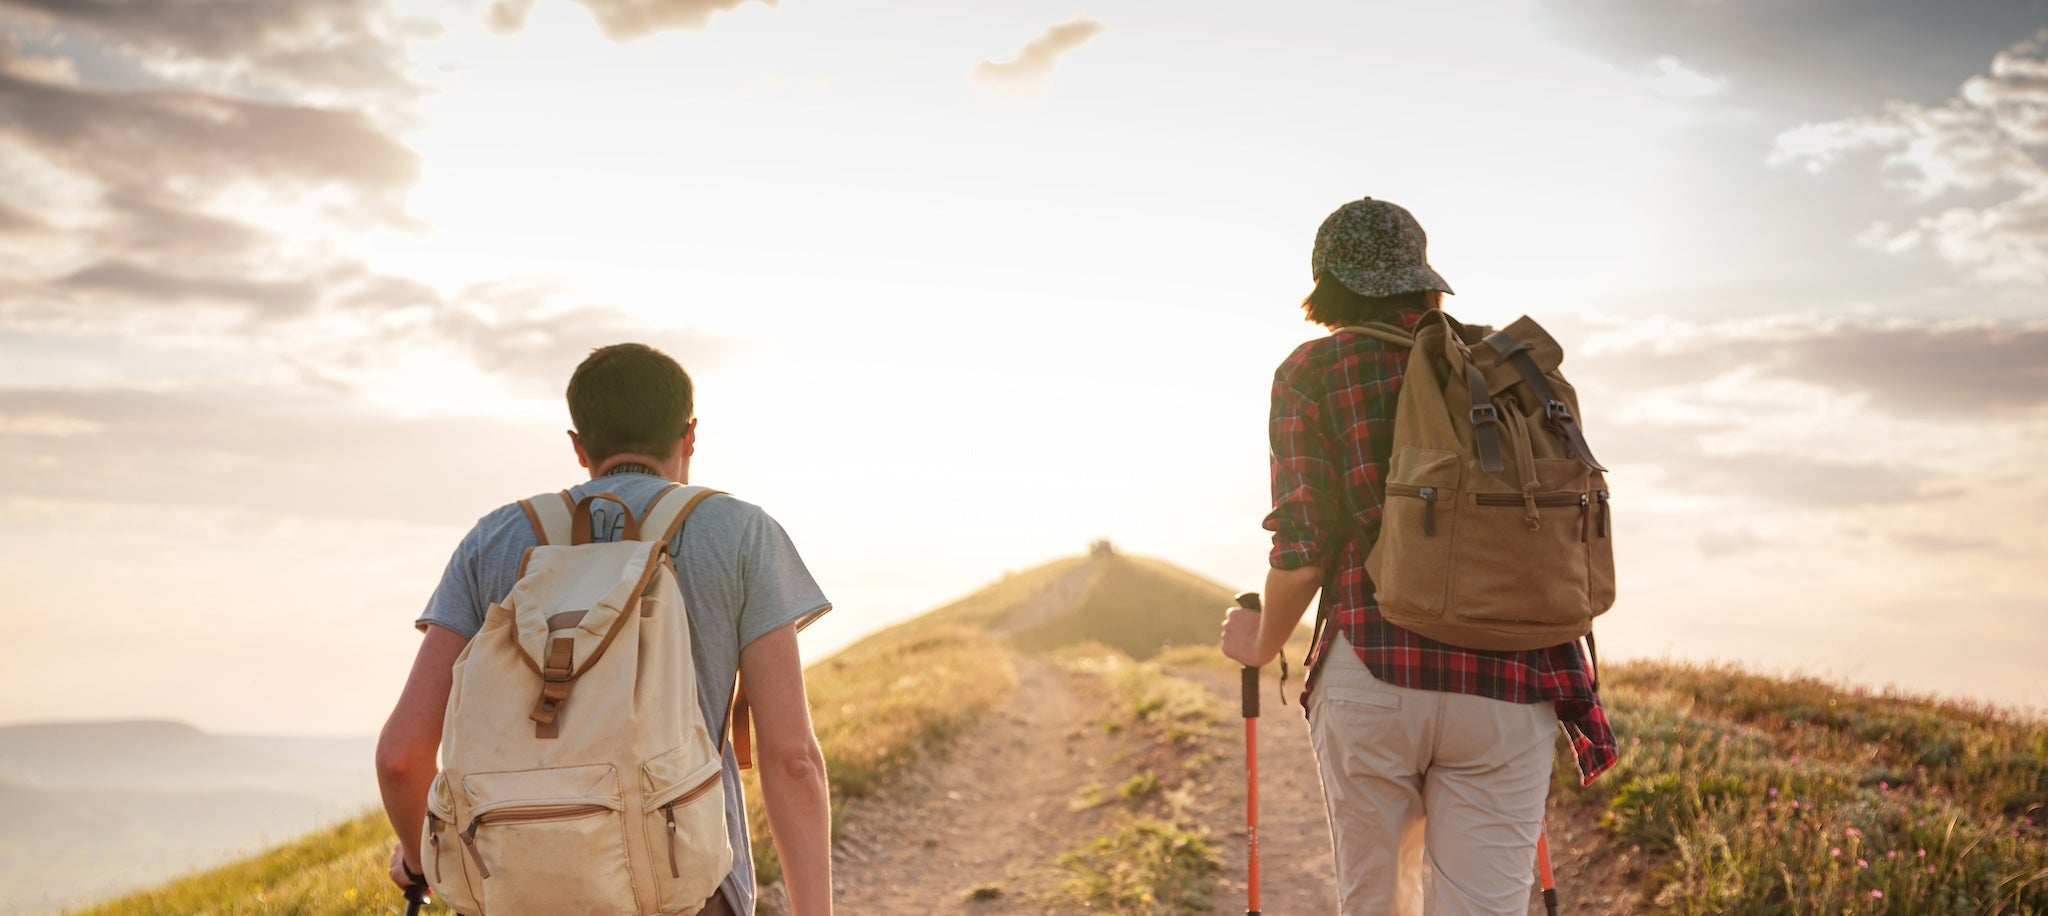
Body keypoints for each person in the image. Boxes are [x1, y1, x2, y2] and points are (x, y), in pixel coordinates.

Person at [1220, 198, 1617, 916]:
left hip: (1374, 670)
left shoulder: (1314, 370)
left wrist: (1262, 643)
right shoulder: (1503, 372)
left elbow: (1304, 548)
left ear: (1328, 283)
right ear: (1423, 279)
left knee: (1377, 902)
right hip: (1516, 675)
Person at [375, 343, 835, 916]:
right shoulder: (741, 533)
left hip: (516, 893)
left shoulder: (493, 540)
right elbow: (792, 758)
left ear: (579, 446)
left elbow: (401, 756)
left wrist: (419, 860)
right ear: (689, 434)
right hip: (686, 891)